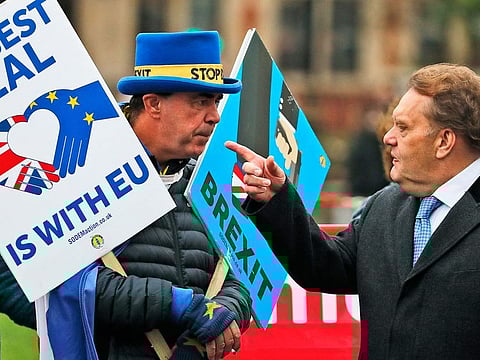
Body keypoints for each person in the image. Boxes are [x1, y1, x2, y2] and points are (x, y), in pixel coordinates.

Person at [225, 63, 480, 360]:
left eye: (404, 127)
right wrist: (277, 198)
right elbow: (324, 266)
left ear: (444, 141)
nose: (387, 138)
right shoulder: (384, 206)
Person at [46, 31, 252, 360]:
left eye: (216, 101)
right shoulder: (82, 176)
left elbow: (243, 272)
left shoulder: (209, 182)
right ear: (153, 103)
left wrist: (224, 312)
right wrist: (180, 306)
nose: (214, 115)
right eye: (200, 101)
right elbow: (64, 284)